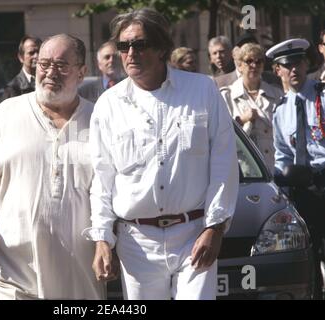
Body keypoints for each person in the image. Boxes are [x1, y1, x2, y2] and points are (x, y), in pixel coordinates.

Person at [83, 8, 239, 300]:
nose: (130, 53)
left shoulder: (202, 89)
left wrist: (215, 227)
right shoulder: (108, 105)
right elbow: (102, 178)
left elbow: (224, 162)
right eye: (123, 46)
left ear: (162, 47)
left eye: (140, 44)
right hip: (136, 242)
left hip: (194, 233)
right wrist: (102, 238)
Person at [0, 34, 105, 300]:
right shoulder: (6, 113)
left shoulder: (101, 119)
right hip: (12, 265)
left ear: (82, 73)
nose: (50, 73)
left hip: (79, 269)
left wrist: (107, 242)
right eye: (44, 64)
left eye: (61, 65)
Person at [269, 38, 325, 299]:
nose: (294, 69)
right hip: (303, 189)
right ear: (277, 70)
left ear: (306, 63)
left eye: (298, 62)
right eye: (287, 64)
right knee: (309, 251)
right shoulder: (281, 110)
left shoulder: (322, 96)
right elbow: (282, 154)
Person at [221, 43, 283, 171]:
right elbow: (222, 137)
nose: (254, 66)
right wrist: (242, 120)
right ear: (239, 65)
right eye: (249, 61)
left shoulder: (276, 93)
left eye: (259, 61)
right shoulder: (227, 96)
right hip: (246, 169)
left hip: (275, 166)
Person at [1, 35, 42, 101]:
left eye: (39, 52)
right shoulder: (12, 89)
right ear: (21, 57)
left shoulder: (50, 82)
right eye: (31, 53)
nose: (36, 56)